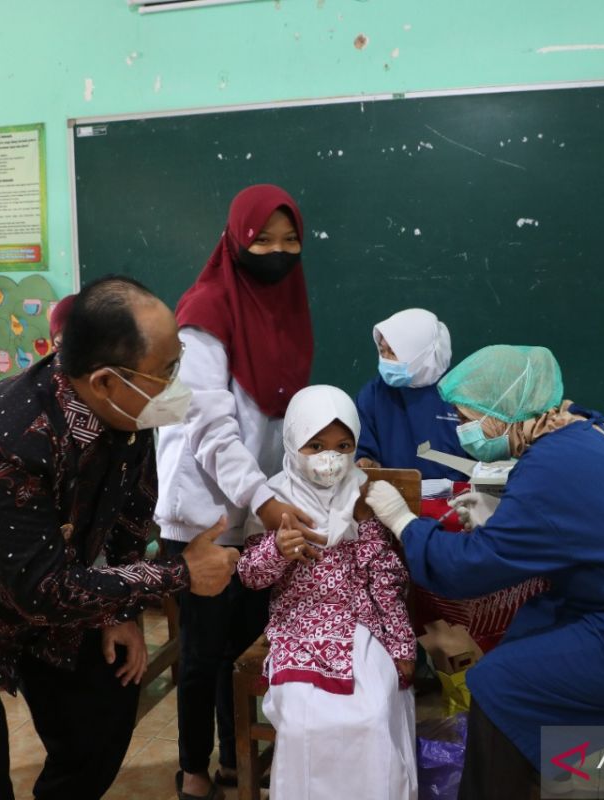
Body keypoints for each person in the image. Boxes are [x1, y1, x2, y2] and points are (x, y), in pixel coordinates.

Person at [0, 277, 240, 800]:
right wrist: (181, 573)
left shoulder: (130, 409)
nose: (177, 383)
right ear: (103, 380)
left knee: (103, 706)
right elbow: (45, 591)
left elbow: (130, 513)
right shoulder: (4, 441)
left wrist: (119, 613)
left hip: (28, 575)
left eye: (178, 360)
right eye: (167, 370)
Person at [364, 345, 604, 800]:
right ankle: (536, 772)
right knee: (529, 625)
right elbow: (576, 518)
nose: (463, 430)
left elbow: (467, 571)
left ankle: (505, 783)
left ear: (504, 413)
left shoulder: (553, 464)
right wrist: (506, 513)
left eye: (468, 417)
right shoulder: (581, 431)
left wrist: (403, 523)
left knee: (497, 682)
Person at [153, 184, 316, 800]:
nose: (277, 252)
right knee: (202, 653)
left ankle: (235, 757)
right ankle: (194, 767)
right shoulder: (207, 311)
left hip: (257, 513)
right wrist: (265, 501)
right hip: (202, 517)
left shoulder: (285, 306)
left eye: (289, 240)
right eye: (262, 240)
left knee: (245, 648)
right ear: (236, 240)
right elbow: (208, 426)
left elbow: (280, 421)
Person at [237, 385, 417, 800]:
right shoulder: (274, 500)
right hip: (298, 624)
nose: (329, 457)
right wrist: (277, 550)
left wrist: (403, 643)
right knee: (304, 722)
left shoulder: (363, 497)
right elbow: (249, 575)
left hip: (361, 622)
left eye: (342, 445)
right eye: (315, 444)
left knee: (372, 714)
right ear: (293, 442)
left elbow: (385, 578)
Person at [354, 308, 468, 482]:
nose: (385, 360)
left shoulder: (462, 393)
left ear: (422, 353)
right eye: (382, 350)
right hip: (392, 498)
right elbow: (362, 453)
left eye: (393, 352)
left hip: (458, 501)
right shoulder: (373, 394)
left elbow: (484, 463)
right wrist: (366, 463)